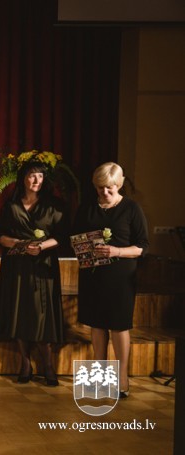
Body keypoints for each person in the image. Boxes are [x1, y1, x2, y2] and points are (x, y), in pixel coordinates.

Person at [73, 162, 148, 398]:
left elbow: (142, 246)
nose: (104, 192)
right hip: (93, 275)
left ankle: (122, 378)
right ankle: (101, 377)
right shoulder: (87, 208)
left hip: (120, 276)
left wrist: (117, 251)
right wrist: (84, 247)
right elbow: (75, 238)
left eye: (109, 188)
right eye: (100, 188)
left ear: (119, 184)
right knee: (97, 324)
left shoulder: (131, 208)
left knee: (118, 325)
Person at [0, 158, 67, 386]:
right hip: (16, 267)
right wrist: (19, 244)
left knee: (42, 315)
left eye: (40, 176)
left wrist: (41, 247)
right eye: (32, 175)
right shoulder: (11, 205)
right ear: (23, 178)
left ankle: (48, 365)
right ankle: (25, 364)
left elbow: (62, 236)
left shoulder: (54, 205)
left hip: (43, 267)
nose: (36, 180)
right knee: (19, 313)